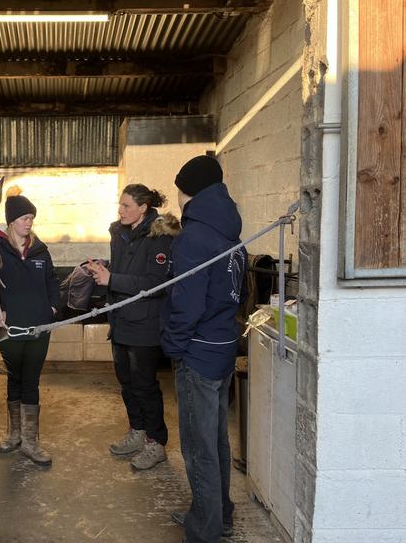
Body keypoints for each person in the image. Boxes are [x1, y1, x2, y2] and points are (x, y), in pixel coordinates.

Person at [161, 155, 247, 543]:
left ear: (187, 190)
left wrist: (174, 346)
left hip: (198, 353)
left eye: (179, 189)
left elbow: (187, 303)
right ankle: (217, 513)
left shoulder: (194, 236)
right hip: (224, 347)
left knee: (199, 448)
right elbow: (238, 294)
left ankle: (205, 530)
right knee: (216, 439)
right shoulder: (230, 232)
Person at [87, 184, 180, 470]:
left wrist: (111, 279)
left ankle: (156, 444)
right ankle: (138, 432)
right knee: (127, 383)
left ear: (143, 207)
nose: (121, 210)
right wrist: (103, 270)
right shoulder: (120, 233)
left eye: (127, 205)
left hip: (145, 324)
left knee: (144, 386)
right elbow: (125, 272)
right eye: (120, 204)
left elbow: (156, 284)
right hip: (121, 320)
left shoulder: (159, 237)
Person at [0, 187, 60, 466]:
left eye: (31, 217)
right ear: (11, 222)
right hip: (10, 329)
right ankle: (14, 435)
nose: (29, 222)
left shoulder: (40, 251)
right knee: (14, 379)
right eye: (24, 217)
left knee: (31, 381)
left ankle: (31, 442)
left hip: (38, 329)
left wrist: (53, 308)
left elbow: (52, 281)